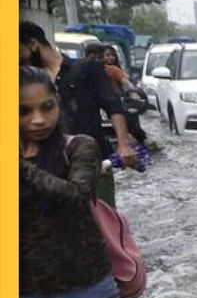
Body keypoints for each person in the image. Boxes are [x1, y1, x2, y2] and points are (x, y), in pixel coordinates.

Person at [18, 66, 121, 298]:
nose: (37, 120)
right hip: (21, 296)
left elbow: (76, 197)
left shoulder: (78, 147)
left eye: (47, 107)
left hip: (84, 288)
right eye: (23, 111)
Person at [19, 22, 136, 206]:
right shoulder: (25, 82)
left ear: (32, 44)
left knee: (98, 219)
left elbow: (113, 105)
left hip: (93, 162)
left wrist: (123, 144)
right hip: (45, 165)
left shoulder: (86, 69)